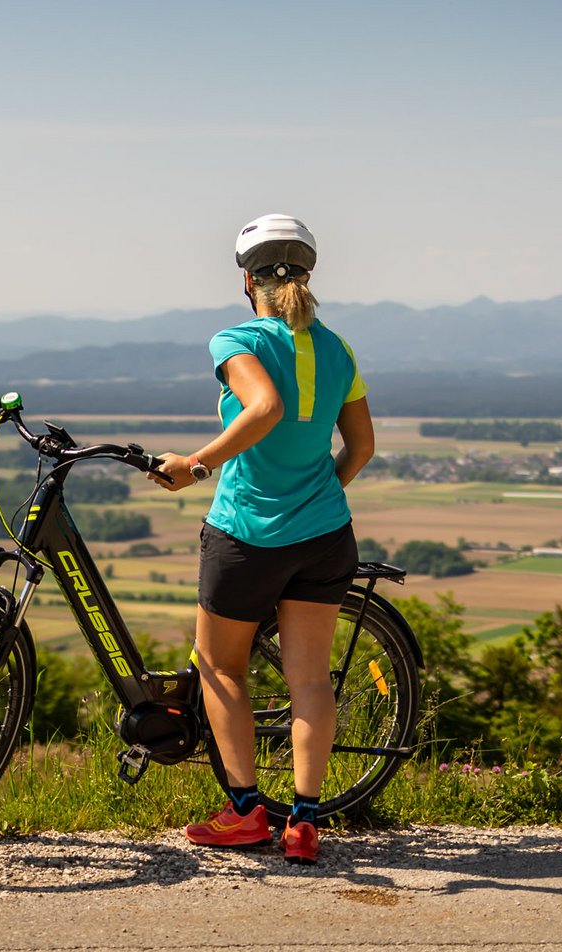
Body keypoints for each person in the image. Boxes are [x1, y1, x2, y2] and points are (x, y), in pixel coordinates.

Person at [148, 213, 374, 866]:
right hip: (326, 535)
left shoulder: (236, 340)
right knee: (310, 679)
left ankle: (246, 812)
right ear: (306, 274)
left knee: (219, 666)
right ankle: (303, 822)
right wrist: (318, 493)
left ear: (247, 280)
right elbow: (361, 447)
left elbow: (264, 407)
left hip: (247, 536)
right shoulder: (337, 350)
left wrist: (195, 467)